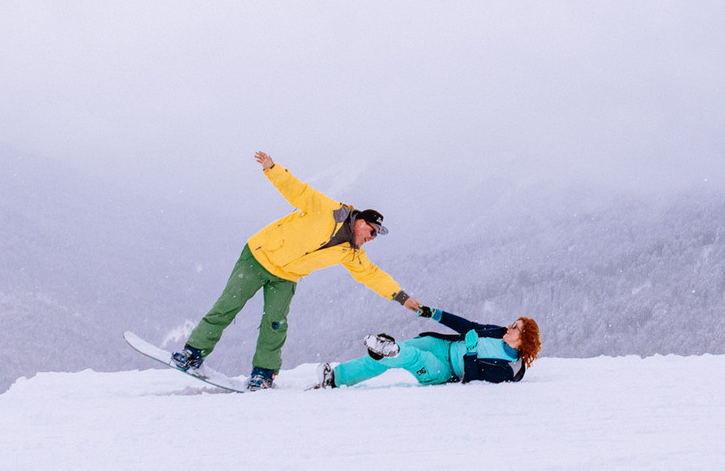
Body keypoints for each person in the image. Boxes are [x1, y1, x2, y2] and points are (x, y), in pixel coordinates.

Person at [172, 151, 425, 390]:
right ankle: (193, 354)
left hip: (285, 277)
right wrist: (272, 169)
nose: (372, 238)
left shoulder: (352, 252)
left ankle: (263, 374)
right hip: (259, 256)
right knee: (227, 306)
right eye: (372, 232)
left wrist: (402, 298)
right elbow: (297, 190)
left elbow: (372, 275)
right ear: (361, 222)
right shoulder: (329, 210)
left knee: (275, 324)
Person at [310, 310, 541, 389]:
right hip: (441, 345)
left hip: (444, 370)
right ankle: (336, 377)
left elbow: (473, 380)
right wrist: (434, 313)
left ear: (523, 341)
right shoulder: (497, 331)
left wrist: (471, 353)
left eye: (515, 328)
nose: (509, 327)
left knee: (411, 357)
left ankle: (392, 350)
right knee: (387, 354)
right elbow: (468, 326)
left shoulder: (506, 371)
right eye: (513, 323)